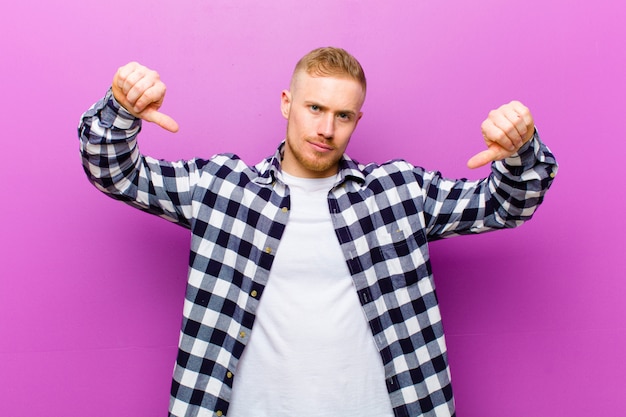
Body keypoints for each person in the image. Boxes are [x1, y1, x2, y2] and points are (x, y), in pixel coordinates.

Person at [78, 47, 557, 417]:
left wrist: (520, 151)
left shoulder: (397, 193)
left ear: (356, 120)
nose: (326, 128)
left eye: (343, 115)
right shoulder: (223, 189)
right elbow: (115, 172)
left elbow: (506, 204)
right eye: (314, 107)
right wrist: (121, 109)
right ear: (287, 103)